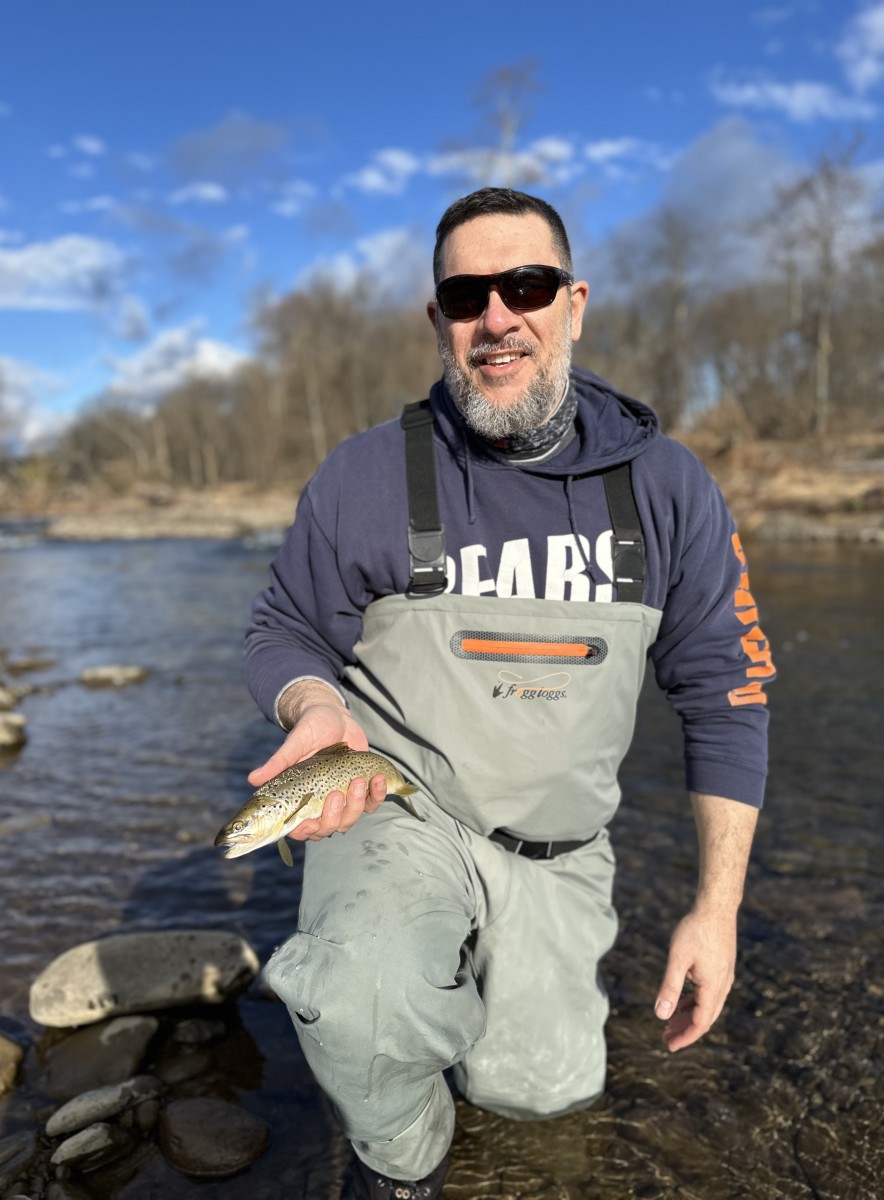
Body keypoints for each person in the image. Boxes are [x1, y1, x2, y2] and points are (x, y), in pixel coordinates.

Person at [244, 187, 774, 1200]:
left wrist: (717, 909)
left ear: (573, 303)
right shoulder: (363, 477)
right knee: (353, 1007)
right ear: (436, 320)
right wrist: (312, 704)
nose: (497, 316)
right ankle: (403, 1162)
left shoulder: (669, 489)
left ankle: (471, 1052)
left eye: (525, 285)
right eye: (466, 294)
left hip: (562, 847)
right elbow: (287, 629)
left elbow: (728, 693)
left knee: (542, 1097)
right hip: (399, 815)